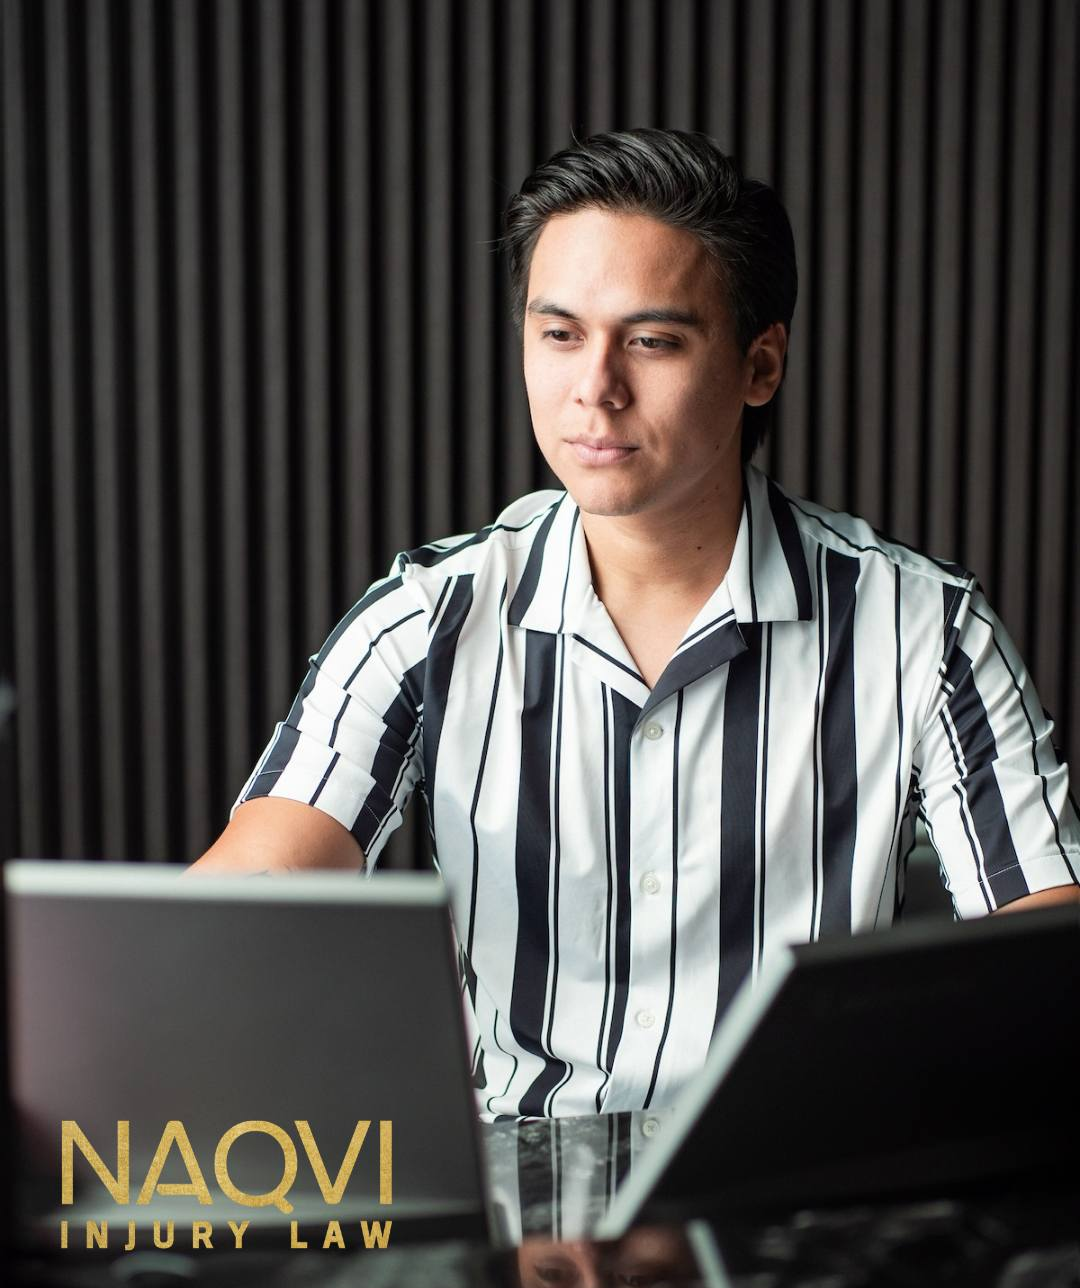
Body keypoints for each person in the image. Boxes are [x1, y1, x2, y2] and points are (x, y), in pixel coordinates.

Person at [193, 129, 1080, 1118]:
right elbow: (244, 901)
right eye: (559, 333)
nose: (595, 389)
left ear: (760, 365)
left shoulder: (923, 627)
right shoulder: (429, 618)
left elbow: (1044, 958)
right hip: (523, 1217)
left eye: (652, 340)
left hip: (795, 1214)